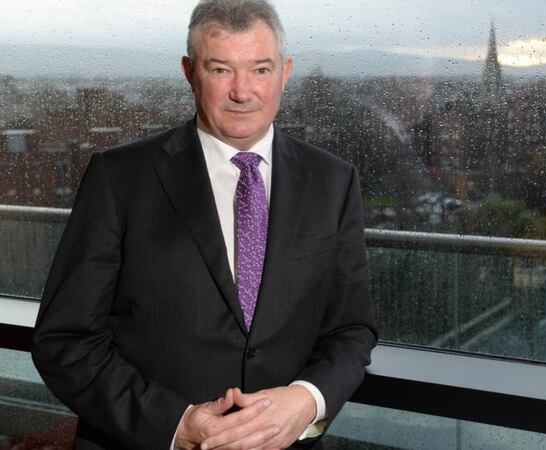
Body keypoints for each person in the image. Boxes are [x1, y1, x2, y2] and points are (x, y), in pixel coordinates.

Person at [31, 0, 377, 448]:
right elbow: (65, 340)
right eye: (220, 70)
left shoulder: (332, 180)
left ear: (285, 72)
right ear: (190, 72)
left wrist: (307, 400)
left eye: (260, 69)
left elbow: (351, 329)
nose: (242, 91)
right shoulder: (119, 179)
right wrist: (175, 425)